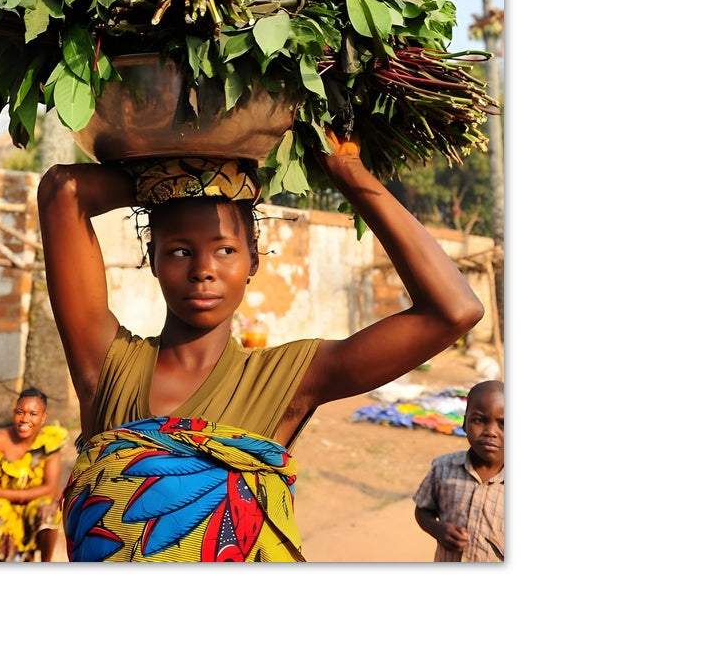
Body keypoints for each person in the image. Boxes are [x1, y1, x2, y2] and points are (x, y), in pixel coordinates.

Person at [37, 132, 485, 562]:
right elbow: (63, 190)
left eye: (225, 250)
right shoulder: (109, 366)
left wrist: (348, 173)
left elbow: (454, 311)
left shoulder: (285, 379)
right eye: (179, 251)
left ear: (253, 259)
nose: (203, 270)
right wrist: (185, 173)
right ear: (151, 258)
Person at [0, 387, 68, 562]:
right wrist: (3, 496)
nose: (25, 419)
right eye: (20, 412)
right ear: (14, 413)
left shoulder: (49, 443)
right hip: (4, 505)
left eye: (33, 414)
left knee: (49, 509)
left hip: (29, 503)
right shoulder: (0, 440)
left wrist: (4, 493)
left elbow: (50, 489)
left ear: (43, 417)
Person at [413, 379, 504, 562]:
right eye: (479, 420)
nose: (490, 432)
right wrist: (437, 529)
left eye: (503, 423)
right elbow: (423, 511)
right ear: (464, 424)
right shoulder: (443, 468)